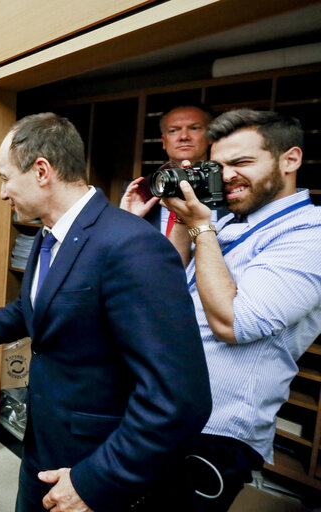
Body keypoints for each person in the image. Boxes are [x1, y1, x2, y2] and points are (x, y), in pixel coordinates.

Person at [0, 113, 212, 511]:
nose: (2, 193)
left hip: (93, 464)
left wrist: (94, 482)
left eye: (5, 178)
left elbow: (179, 399)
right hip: (42, 444)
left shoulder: (131, 245)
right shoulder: (46, 236)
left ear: (41, 171)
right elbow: (29, 311)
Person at [158, 109, 321, 511]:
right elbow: (166, 287)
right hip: (167, 406)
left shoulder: (309, 234)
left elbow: (234, 323)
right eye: (219, 166)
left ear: (290, 159)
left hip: (217, 428)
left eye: (242, 162)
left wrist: (201, 228)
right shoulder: (228, 225)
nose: (226, 175)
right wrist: (183, 217)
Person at [121, 105, 227, 234]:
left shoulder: (229, 185)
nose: (183, 136)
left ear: (210, 137)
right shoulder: (140, 190)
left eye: (194, 128)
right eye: (173, 130)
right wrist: (127, 221)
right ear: (164, 141)